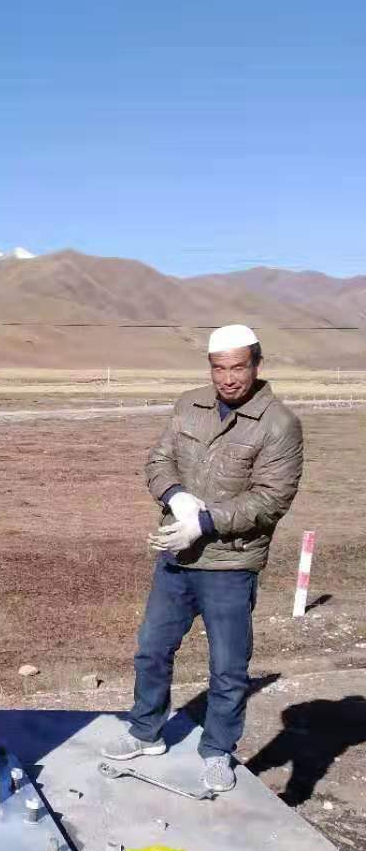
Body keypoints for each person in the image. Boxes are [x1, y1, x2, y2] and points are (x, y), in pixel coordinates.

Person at [103, 325, 303, 793]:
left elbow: (271, 498)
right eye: (219, 367)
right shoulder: (187, 405)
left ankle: (217, 751)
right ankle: (145, 731)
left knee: (228, 668)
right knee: (152, 650)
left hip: (230, 564)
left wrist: (206, 521)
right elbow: (158, 460)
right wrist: (176, 499)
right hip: (177, 555)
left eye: (238, 367)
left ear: (256, 364)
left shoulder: (278, 424)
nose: (229, 378)